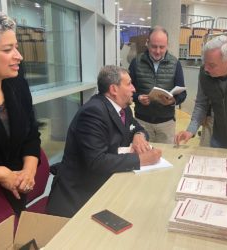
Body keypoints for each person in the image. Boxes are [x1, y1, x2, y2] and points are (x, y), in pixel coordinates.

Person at [46, 65, 162, 218]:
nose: (134, 89)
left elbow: (136, 126)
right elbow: (97, 161)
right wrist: (141, 159)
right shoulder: (93, 113)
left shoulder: (124, 108)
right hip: (79, 197)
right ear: (114, 89)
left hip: (104, 184)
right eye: (129, 84)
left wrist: (139, 135)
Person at [0, 7, 41, 213]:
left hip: (16, 194)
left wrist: (28, 171)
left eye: (17, 47)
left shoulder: (17, 83)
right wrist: (1, 174)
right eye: (7, 50)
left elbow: (31, 134)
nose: (19, 56)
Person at [128, 26, 187, 144]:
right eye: (154, 46)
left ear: (167, 45)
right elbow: (128, 91)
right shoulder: (136, 62)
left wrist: (172, 101)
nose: (158, 51)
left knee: (167, 157)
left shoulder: (175, 63)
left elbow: (183, 94)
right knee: (143, 156)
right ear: (147, 43)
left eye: (162, 47)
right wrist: (138, 98)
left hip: (166, 124)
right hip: (142, 122)